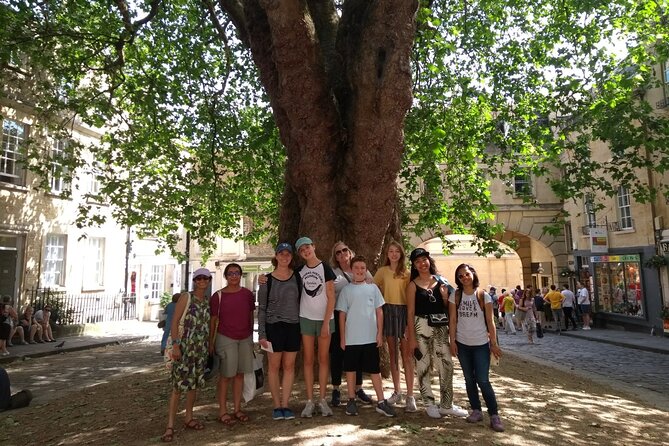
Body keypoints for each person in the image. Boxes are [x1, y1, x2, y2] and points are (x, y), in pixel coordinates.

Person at [406, 248, 467, 419]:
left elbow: (451, 309)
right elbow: (410, 313)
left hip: (440, 326)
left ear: (429, 261)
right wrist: (412, 338)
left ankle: (447, 404)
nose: (422, 264)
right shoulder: (412, 285)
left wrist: (445, 297)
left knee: (446, 364)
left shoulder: (442, 281)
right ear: (414, 265)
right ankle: (429, 403)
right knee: (423, 366)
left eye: (424, 260)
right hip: (420, 325)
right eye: (418, 261)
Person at [448, 263, 505, 432]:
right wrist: (452, 341)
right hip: (462, 344)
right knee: (469, 379)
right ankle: (476, 410)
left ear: (472, 274)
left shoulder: (483, 295)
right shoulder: (455, 296)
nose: (464, 277)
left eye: (466, 274)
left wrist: (493, 344)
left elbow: (490, 321)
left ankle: (494, 414)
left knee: (483, 380)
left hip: (480, 344)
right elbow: (452, 320)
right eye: (460, 276)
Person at [337, 255, 396, 417]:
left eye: (363, 268)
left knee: (374, 370)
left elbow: (379, 311)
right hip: (351, 338)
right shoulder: (346, 290)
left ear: (366, 270)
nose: (360, 271)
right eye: (356, 268)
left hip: (370, 338)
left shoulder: (373, 289)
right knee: (350, 370)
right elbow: (342, 315)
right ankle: (351, 400)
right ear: (352, 269)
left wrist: (379, 333)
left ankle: (381, 402)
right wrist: (342, 338)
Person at [161, 268, 211, 443]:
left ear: (209, 280)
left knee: (193, 384)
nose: (202, 281)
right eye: (199, 278)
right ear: (194, 280)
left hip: (200, 349)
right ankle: (170, 425)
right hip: (184, 347)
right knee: (177, 387)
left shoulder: (207, 301)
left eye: (205, 278)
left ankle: (189, 417)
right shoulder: (186, 297)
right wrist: (176, 345)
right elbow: (174, 321)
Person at [257, 243, 301, 421]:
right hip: (273, 327)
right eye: (281, 254)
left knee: (289, 367)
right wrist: (261, 333)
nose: (284, 257)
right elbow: (261, 308)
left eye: (288, 254)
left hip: (293, 327)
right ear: (276, 256)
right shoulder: (266, 280)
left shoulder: (297, 277)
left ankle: (285, 404)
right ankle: (276, 406)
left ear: (291, 257)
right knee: (274, 367)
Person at [294, 237, 336, 418]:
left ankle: (323, 400)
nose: (306, 251)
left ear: (314, 246)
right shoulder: (300, 271)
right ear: (300, 254)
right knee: (309, 360)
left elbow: (331, 296)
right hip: (306, 318)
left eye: (308, 247)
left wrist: (326, 322)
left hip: (326, 319)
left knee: (324, 359)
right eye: (301, 249)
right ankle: (310, 401)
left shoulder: (325, 268)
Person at [329, 241, 374, 407]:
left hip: (358, 316)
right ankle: (335, 389)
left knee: (357, 351)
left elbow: (372, 285)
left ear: (350, 251)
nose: (342, 254)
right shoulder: (333, 272)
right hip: (338, 314)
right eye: (338, 252)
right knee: (337, 353)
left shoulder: (360, 268)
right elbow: (328, 293)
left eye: (344, 250)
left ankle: (358, 388)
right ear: (335, 257)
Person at [209, 263, 255, 425]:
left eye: (236, 273)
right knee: (226, 376)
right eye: (230, 273)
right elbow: (213, 320)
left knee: (240, 374)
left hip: (245, 338)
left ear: (241, 275)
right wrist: (210, 343)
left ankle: (237, 409)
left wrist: (251, 336)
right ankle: (222, 411)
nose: (234, 275)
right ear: (226, 276)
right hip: (225, 338)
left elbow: (250, 315)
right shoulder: (218, 296)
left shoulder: (248, 294)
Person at [374, 240, 416, 412]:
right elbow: (373, 287)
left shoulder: (407, 273)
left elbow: (411, 298)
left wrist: (409, 323)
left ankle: (410, 395)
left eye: (396, 251)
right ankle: (397, 391)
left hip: (404, 312)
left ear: (401, 254)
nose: (393, 254)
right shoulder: (382, 271)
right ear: (387, 254)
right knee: (392, 354)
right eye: (390, 251)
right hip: (388, 311)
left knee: (406, 355)